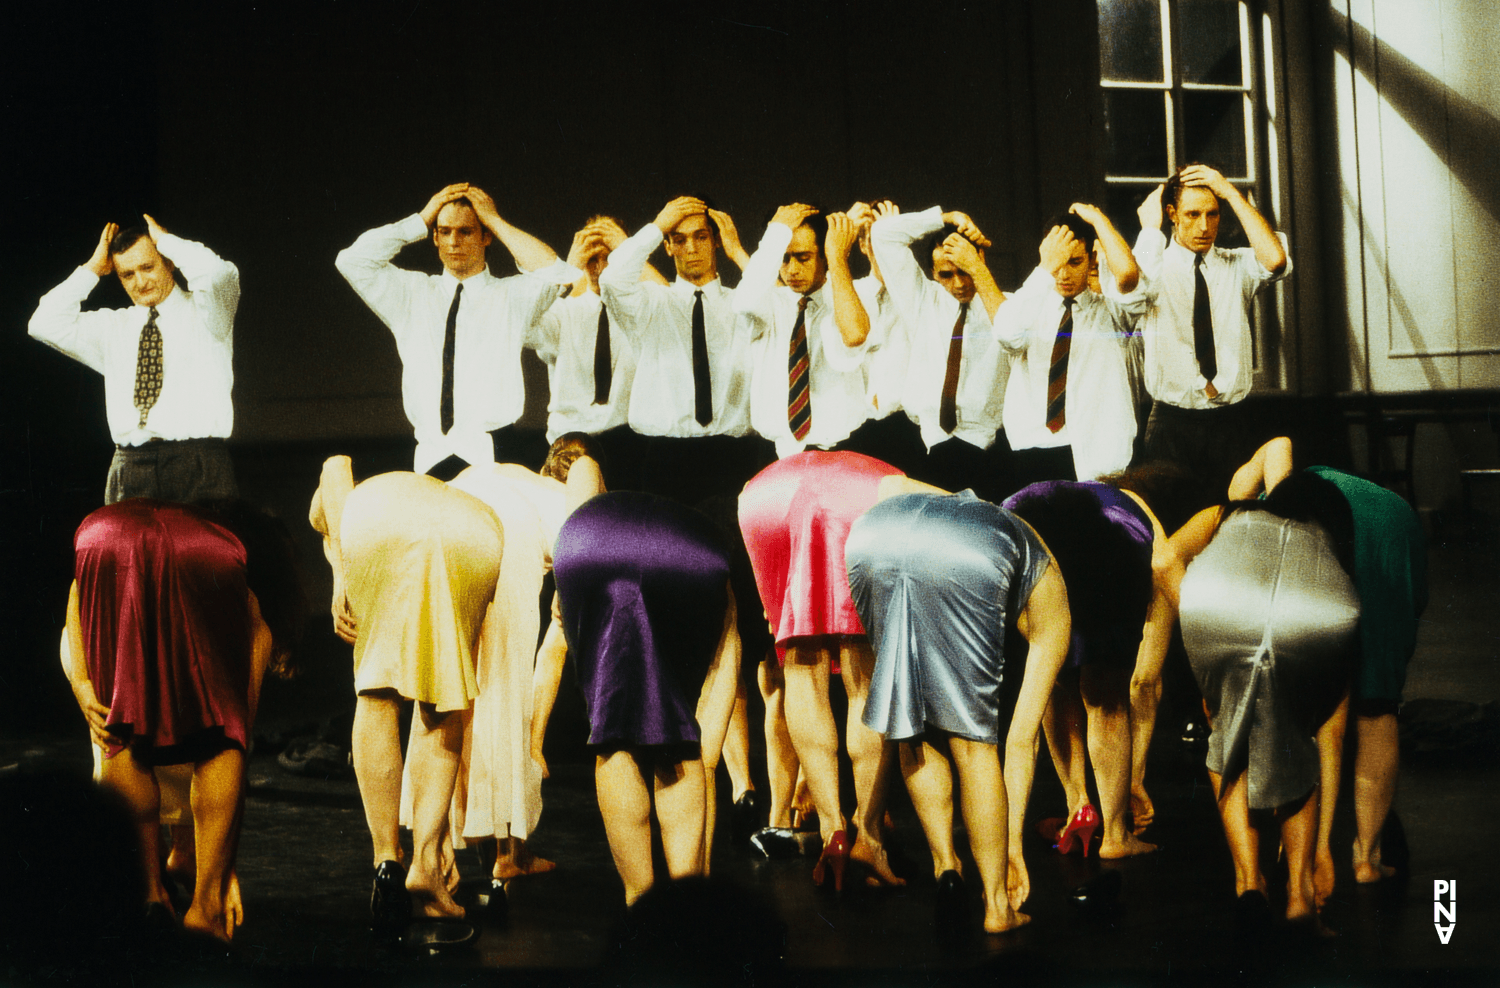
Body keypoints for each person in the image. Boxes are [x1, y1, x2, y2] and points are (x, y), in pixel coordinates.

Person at [60, 498, 305, 941]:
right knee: (221, 736)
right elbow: (238, 731)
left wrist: (81, 683)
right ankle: (205, 909)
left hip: (103, 536)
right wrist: (223, 871)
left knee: (118, 729)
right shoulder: (248, 602)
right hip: (196, 549)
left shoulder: (107, 590)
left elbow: (76, 598)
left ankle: (148, 895)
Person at [847, 480, 1072, 933]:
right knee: (974, 744)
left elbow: (889, 485)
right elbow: (1021, 741)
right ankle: (996, 907)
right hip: (967, 552)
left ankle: (946, 868)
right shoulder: (1050, 590)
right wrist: (1010, 848)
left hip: (874, 537)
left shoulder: (997, 518)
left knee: (911, 726)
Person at [310, 457, 502, 938]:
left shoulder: (346, 510)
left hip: (379, 529)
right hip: (473, 531)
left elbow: (335, 466)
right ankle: (428, 866)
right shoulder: (455, 493)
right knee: (445, 700)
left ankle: (385, 862)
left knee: (376, 691)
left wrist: (341, 579)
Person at [1227, 438, 1428, 898]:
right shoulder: (1340, 492)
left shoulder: (1261, 507)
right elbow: (1415, 602)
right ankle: (1366, 859)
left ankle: (1297, 854)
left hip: (1344, 534)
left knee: (1306, 713)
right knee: (1377, 706)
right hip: (1391, 528)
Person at [1162, 470, 1359, 928]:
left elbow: (1162, 559)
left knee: (1225, 738)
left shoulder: (1227, 514)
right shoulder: (1327, 539)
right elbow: (1331, 734)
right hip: (1315, 612)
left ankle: (1249, 881)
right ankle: (1300, 895)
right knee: (1299, 738)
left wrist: (1190, 609)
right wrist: (1324, 846)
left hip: (1216, 606)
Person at [535, 486, 742, 905]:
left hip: (584, 544)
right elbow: (727, 653)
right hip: (687, 551)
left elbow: (551, 653)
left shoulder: (578, 519)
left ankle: (639, 900)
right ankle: (687, 902)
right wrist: (704, 754)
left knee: (614, 731)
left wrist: (534, 739)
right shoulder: (710, 562)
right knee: (679, 739)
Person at [738, 451, 908, 889]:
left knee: (799, 664)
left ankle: (833, 831)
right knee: (863, 676)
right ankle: (867, 837)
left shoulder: (769, 477)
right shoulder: (890, 477)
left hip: (764, 498)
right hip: (859, 494)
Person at [335, 183, 580, 479]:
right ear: (435, 237)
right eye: (445, 231)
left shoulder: (512, 296)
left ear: (485, 236)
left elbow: (559, 273)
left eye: (465, 231)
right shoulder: (411, 294)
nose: (454, 241)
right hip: (429, 455)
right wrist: (422, 219)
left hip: (495, 452)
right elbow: (351, 261)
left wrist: (495, 220)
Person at [1002, 480, 1171, 860]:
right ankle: (1115, 834)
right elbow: (1146, 680)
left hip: (1027, 535)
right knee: (1106, 696)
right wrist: (1136, 776)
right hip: (1112, 552)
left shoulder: (1068, 495)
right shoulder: (1139, 509)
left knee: (1053, 674)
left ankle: (1077, 803)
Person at [29, 216, 240, 504]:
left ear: (168, 262)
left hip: (198, 464)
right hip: (128, 467)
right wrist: (92, 269)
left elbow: (217, 274)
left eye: (147, 267)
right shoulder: (114, 327)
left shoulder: (208, 313)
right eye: (127, 274)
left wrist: (166, 241)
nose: (140, 282)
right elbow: (42, 323)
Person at [599, 195, 765, 503]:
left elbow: (776, 300)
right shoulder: (651, 303)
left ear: (715, 240)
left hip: (732, 455)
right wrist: (658, 226)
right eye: (679, 239)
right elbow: (611, 280)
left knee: (734, 550)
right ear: (668, 246)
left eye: (701, 237)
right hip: (665, 456)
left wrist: (737, 251)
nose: (690, 248)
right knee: (662, 551)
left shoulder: (743, 303)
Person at [1134, 164, 1291, 489]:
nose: (1204, 226)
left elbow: (1275, 260)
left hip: (1230, 424)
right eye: (1192, 215)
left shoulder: (1237, 266)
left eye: (1213, 213)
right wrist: (1150, 229)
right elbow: (1133, 286)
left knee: (1233, 524)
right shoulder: (1154, 265)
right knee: (1172, 526)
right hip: (1171, 425)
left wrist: (1231, 192)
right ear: (1172, 214)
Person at [992, 205, 1146, 487]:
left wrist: (1099, 220)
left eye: (1075, 262)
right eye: (1057, 263)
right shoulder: (1029, 306)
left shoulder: (1111, 311)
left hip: (1097, 456)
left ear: (1091, 260)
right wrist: (1044, 269)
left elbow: (1126, 277)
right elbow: (1006, 334)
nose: (1063, 274)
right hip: (1034, 448)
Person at [869, 203, 1012, 502]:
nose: (958, 283)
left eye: (965, 271)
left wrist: (977, 269)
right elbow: (882, 234)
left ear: (980, 259)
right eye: (947, 274)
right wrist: (946, 218)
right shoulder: (922, 300)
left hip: (989, 450)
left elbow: (1014, 332)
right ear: (933, 272)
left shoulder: (1007, 307)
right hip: (931, 447)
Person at [533, 217, 671, 492]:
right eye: (591, 259)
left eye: (609, 259)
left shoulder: (641, 308)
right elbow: (522, 323)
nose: (598, 269)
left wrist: (629, 249)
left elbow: (675, 312)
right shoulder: (564, 311)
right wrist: (567, 269)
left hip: (629, 442)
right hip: (569, 441)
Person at [735, 205, 872, 458]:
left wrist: (838, 258)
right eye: (784, 259)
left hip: (842, 452)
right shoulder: (770, 303)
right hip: (777, 454)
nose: (792, 270)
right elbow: (743, 302)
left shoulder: (851, 297)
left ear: (825, 256)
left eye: (803, 257)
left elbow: (853, 336)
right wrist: (776, 232)